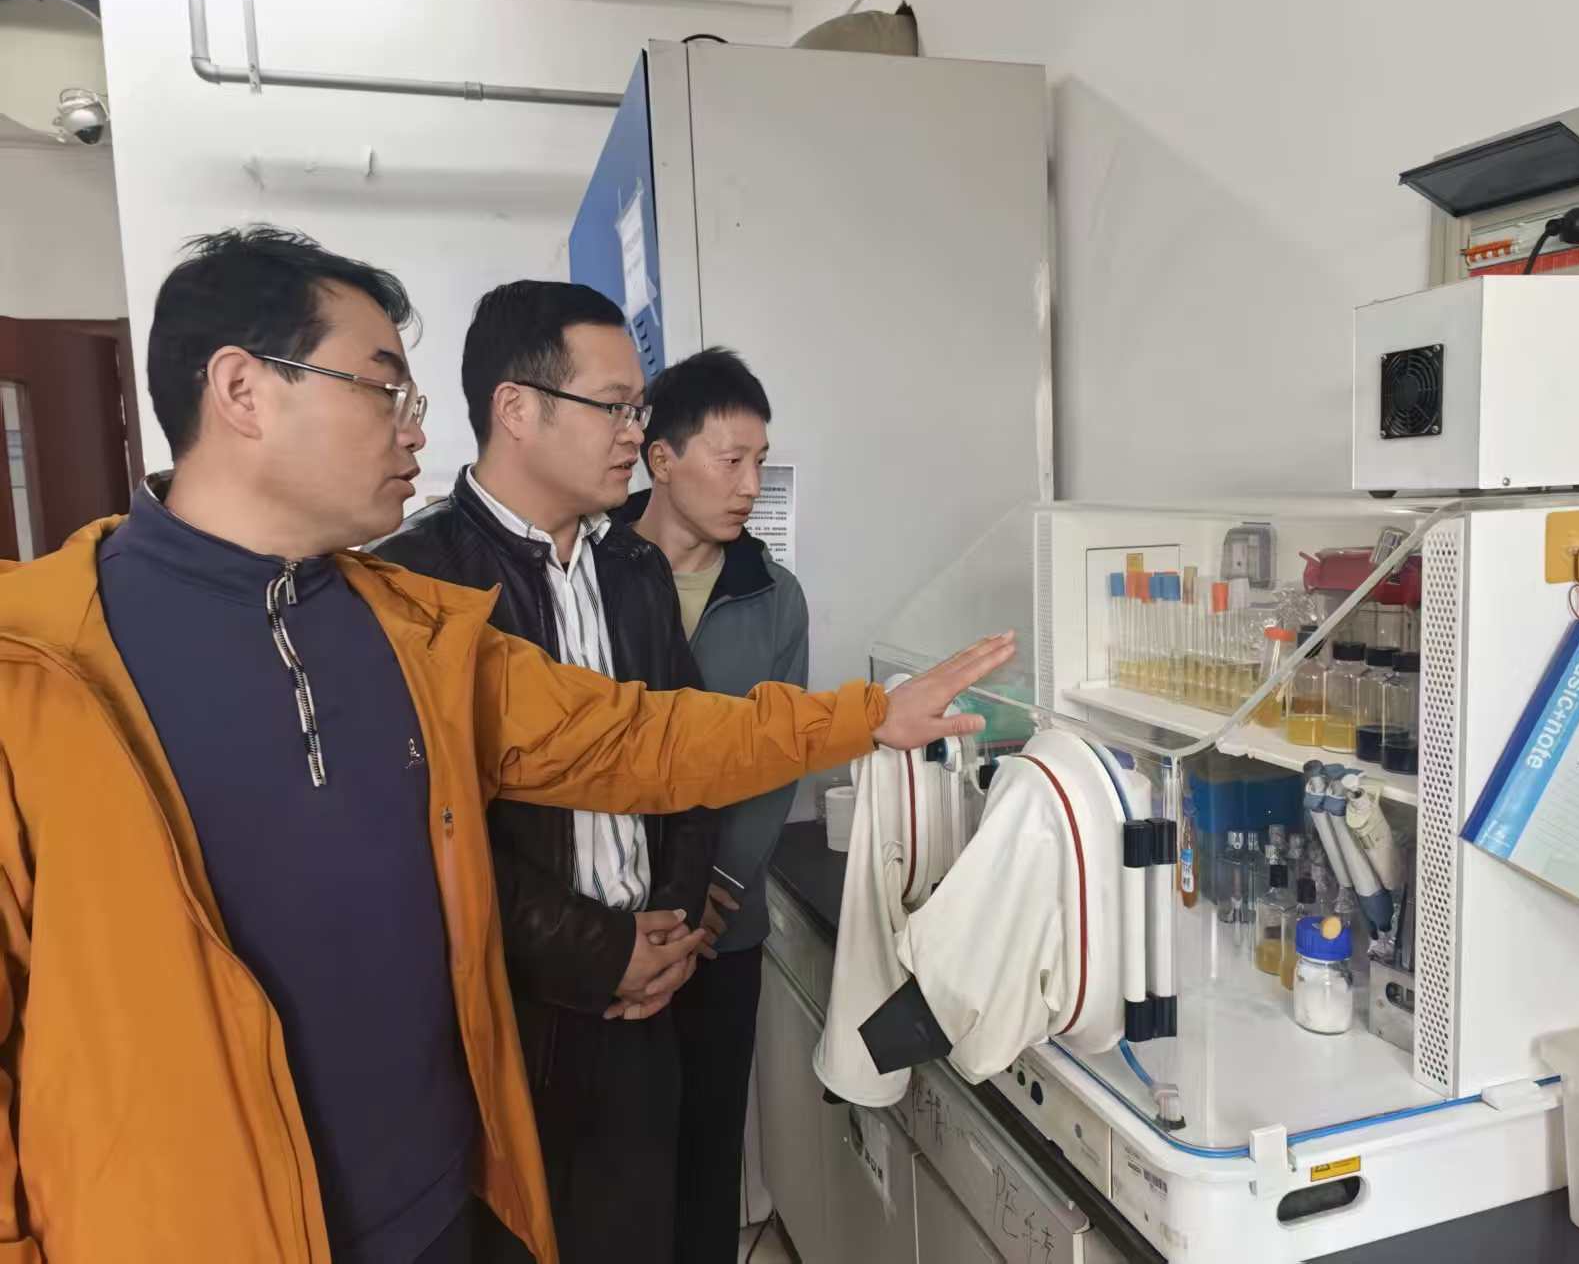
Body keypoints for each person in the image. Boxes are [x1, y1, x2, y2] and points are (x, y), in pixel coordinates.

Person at [0, 225, 1014, 1264]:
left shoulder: (409, 631)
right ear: (242, 390)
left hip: (445, 1201)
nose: (413, 429)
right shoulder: (36, 673)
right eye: (382, 388)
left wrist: (863, 716)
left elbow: (635, 735)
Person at [372, 281, 712, 1263]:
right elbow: (428, 830)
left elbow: (688, 749)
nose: (636, 433)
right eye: (614, 406)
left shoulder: (634, 571)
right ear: (516, 408)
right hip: (513, 1015)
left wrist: (674, 922)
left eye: (640, 407)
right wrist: (597, 949)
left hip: (649, 997)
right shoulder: (415, 583)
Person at [620, 348, 801, 1262]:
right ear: (661, 458)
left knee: (707, 1149)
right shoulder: (591, 570)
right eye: (731, 460)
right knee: (615, 1166)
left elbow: (776, 757)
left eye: (760, 461)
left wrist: (718, 885)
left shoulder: (772, 596)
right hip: (611, 930)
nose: (751, 485)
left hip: (722, 929)